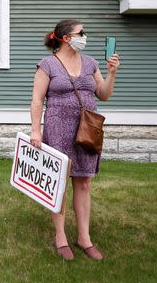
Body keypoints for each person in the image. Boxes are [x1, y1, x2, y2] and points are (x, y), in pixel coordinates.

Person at [30, 19, 120, 261]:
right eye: (81, 32)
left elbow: (104, 95)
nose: (85, 36)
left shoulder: (90, 63)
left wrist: (111, 74)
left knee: (84, 183)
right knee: (59, 184)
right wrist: (35, 131)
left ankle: (84, 238)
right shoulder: (47, 65)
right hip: (58, 128)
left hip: (87, 129)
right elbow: (37, 100)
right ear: (67, 38)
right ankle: (60, 237)